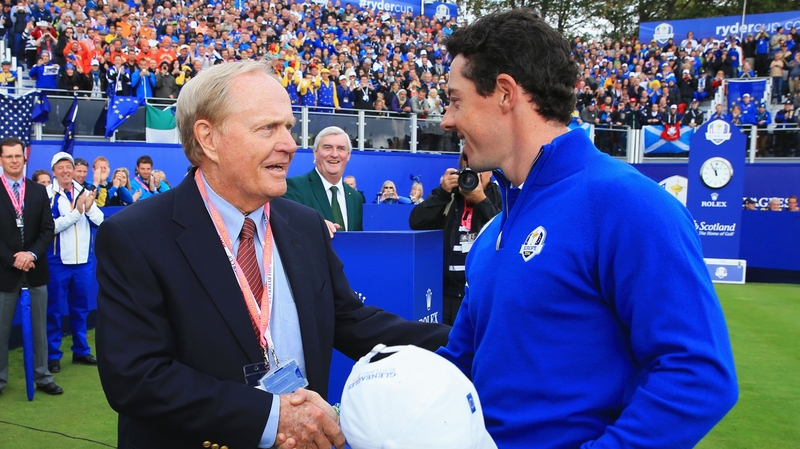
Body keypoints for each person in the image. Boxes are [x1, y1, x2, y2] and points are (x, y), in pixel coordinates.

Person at [94, 60, 449, 449]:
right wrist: (269, 416)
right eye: (267, 128)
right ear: (208, 138)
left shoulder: (304, 225)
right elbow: (137, 378)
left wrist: (464, 344)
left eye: (289, 128)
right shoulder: (137, 236)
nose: (290, 145)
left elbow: (351, 321)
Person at [435, 10, 738, 448]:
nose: (447, 119)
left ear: (504, 93)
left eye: (455, 99)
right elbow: (456, 368)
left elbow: (699, 375)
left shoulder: (628, 204)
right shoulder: (496, 230)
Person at [0, 137, 62, 396]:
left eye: (18, 156)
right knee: (1, 331)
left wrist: (31, 255)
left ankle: (42, 376)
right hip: (5, 272)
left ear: (25, 158)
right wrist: (13, 257)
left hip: (36, 271)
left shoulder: (37, 191)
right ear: (1, 160)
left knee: (39, 326)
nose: (14, 160)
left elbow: (48, 229)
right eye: (9, 156)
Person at [409, 155, 501, 326]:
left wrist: (482, 201)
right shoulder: (450, 197)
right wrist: (442, 192)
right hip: (445, 293)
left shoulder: (500, 196)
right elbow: (416, 222)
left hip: (481, 295)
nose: (476, 174)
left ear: (492, 172)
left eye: (482, 170)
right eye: (470, 168)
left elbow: (505, 231)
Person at [46, 151, 104, 374]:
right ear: (54, 171)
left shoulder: (84, 191)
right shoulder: (48, 194)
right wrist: (76, 212)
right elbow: (49, 227)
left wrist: (88, 208)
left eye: (68, 167)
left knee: (80, 309)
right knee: (55, 310)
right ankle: (53, 354)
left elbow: (100, 221)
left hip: (83, 261)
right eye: (60, 168)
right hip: (57, 261)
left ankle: (81, 350)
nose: (65, 171)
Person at [284, 126, 363, 232]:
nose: (334, 154)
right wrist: (316, 227)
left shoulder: (355, 197)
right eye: (327, 147)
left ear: (348, 155)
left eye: (341, 148)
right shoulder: (294, 188)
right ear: (315, 152)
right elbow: (287, 231)